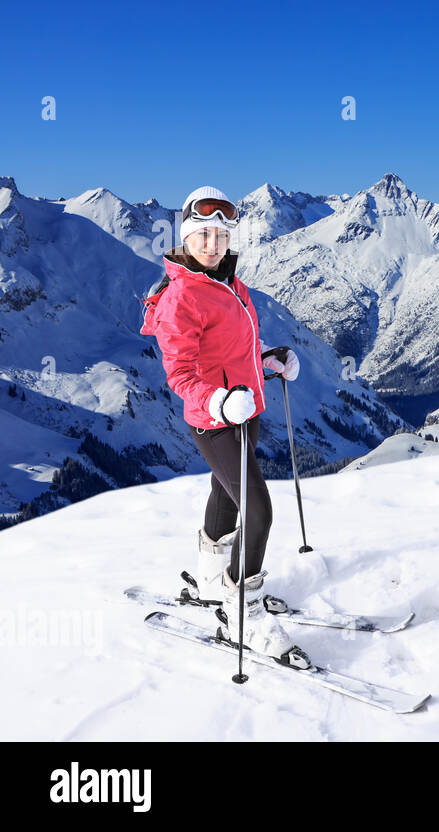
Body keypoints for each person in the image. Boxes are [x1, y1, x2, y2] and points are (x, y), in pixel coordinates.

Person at [140, 186, 309, 669]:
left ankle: (214, 579)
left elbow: (233, 351)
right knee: (259, 512)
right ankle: (243, 615)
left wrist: (268, 360)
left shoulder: (231, 283)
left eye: (221, 236)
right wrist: (219, 400)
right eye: (203, 235)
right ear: (185, 237)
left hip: (245, 412)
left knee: (225, 493)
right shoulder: (182, 296)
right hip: (215, 421)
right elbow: (181, 375)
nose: (212, 245)